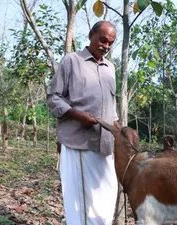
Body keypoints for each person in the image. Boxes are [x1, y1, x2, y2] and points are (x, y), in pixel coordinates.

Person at [47, 21, 120, 225]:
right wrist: (78, 115)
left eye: (110, 43)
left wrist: (119, 128)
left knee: (106, 194)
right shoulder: (71, 61)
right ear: (90, 35)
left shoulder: (110, 68)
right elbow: (53, 97)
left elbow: (111, 106)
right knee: (81, 200)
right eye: (102, 40)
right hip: (79, 142)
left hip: (104, 144)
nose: (106, 46)